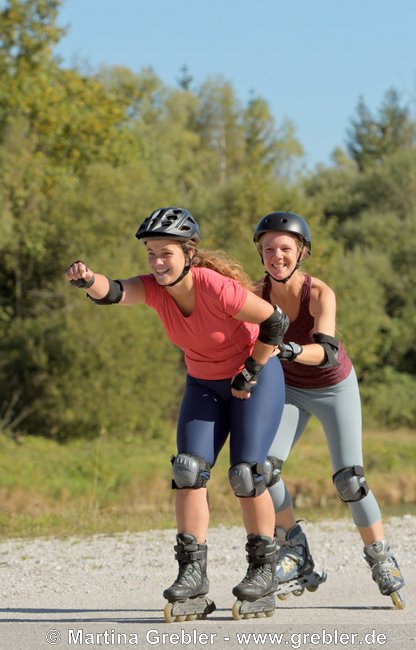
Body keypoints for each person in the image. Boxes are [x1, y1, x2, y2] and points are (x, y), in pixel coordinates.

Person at [65, 207, 289, 621]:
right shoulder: (155, 289)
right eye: (151, 253)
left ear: (189, 251)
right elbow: (113, 291)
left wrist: (251, 371)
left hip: (255, 380)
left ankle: (262, 573)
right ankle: (193, 578)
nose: (156, 262)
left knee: (248, 473)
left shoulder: (213, 286)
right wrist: (86, 278)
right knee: (188, 470)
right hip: (203, 384)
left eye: (165, 253)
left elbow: (275, 322)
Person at [252, 210, 405, 609]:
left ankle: (381, 557)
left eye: (285, 248)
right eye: (269, 249)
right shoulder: (255, 294)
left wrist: (288, 349)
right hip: (287, 388)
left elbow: (326, 352)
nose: (276, 255)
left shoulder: (319, 293)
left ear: (301, 252)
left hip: (333, 385)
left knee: (349, 481)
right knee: (263, 469)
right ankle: (295, 549)